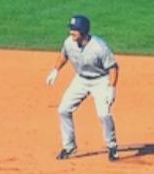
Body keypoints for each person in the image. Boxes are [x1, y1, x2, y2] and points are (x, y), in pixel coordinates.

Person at [45, 14, 121, 161]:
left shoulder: (99, 47)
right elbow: (64, 56)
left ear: (83, 31)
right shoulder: (69, 42)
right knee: (63, 109)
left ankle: (112, 147)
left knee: (104, 114)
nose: (71, 32)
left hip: (101, 80)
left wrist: (112, 88)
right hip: (80, 80)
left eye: (74, 29)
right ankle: (69, 147)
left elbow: (113, 68)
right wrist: (55, 70)